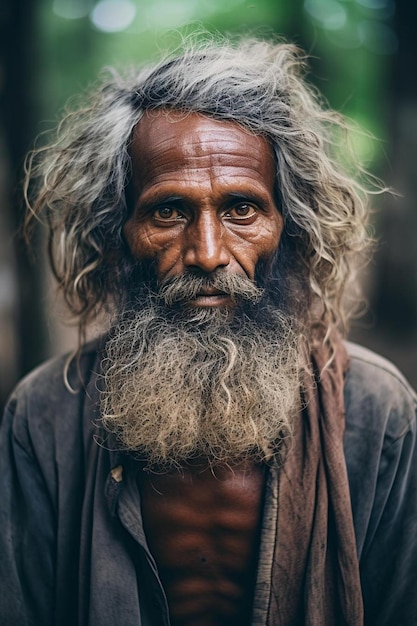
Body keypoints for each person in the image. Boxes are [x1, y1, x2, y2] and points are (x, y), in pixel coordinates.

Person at [1, 36, 416, 626]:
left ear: (289, 226)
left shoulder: (379, 416)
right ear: (118, 230)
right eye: (168, 211)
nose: (208, 252)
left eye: (241, 209)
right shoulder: (44, 417)